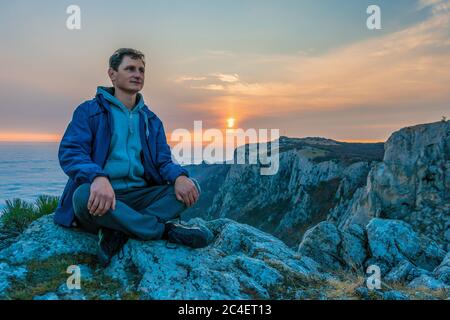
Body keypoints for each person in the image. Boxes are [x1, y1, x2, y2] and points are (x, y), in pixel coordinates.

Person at [54, 48, 211, 267]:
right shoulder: (89, 111)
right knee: (81, 196)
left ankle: (117, 230)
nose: (137, 74)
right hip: (103, 197)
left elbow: (163, 161)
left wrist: (178, 177)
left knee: (190, 187)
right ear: (112, 74)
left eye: (141, 70)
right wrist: (97, 177)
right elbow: (71, 152)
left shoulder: (151, 120)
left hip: (139, 197)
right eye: (130, 68)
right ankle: (163, 230)